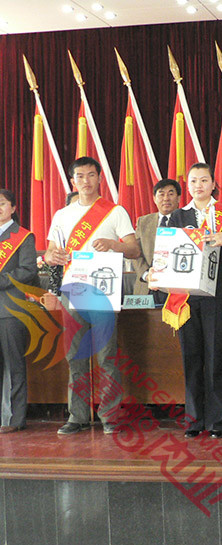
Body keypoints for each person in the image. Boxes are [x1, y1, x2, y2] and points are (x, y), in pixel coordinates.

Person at [44, 156, 141, 435]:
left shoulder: (115, 212)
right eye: (80, 176)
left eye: (90, 175)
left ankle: (109, 416)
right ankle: (78, 416)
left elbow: (134, 250)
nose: (85, 181)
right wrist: (53, 256)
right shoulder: (62, 215)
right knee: (75, 356)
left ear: (99, 178)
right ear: (72, 181)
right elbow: (49, 252)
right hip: (72, 290)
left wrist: (113, 244)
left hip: (103, 291)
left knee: (106, 356)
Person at [153, 163, 222, 439]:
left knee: (216, 356)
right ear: (188, 185)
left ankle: (216, 421)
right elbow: (165, 250)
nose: (198, 186)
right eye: (193, 181)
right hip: (187, 296)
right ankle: (194, 420)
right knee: (191, 357)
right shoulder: (177, 216)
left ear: (213, 184)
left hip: (217, 294)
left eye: (204, 180)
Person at [0, 190, 37, 433]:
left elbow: (28, 271)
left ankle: (14, 419)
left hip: (11, 309)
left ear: (13, 208)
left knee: (14, 366)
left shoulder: (23, 236)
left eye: (2, 203)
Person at [132, 179, 181, 301]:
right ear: (154, 198)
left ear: (179, 198)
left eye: (171, 194)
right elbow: (135, 253)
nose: (166, 199)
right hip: (146, 288)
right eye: (161, 194)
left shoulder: (187, 222)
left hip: (176, 289)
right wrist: (146, 275)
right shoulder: (143, 222)